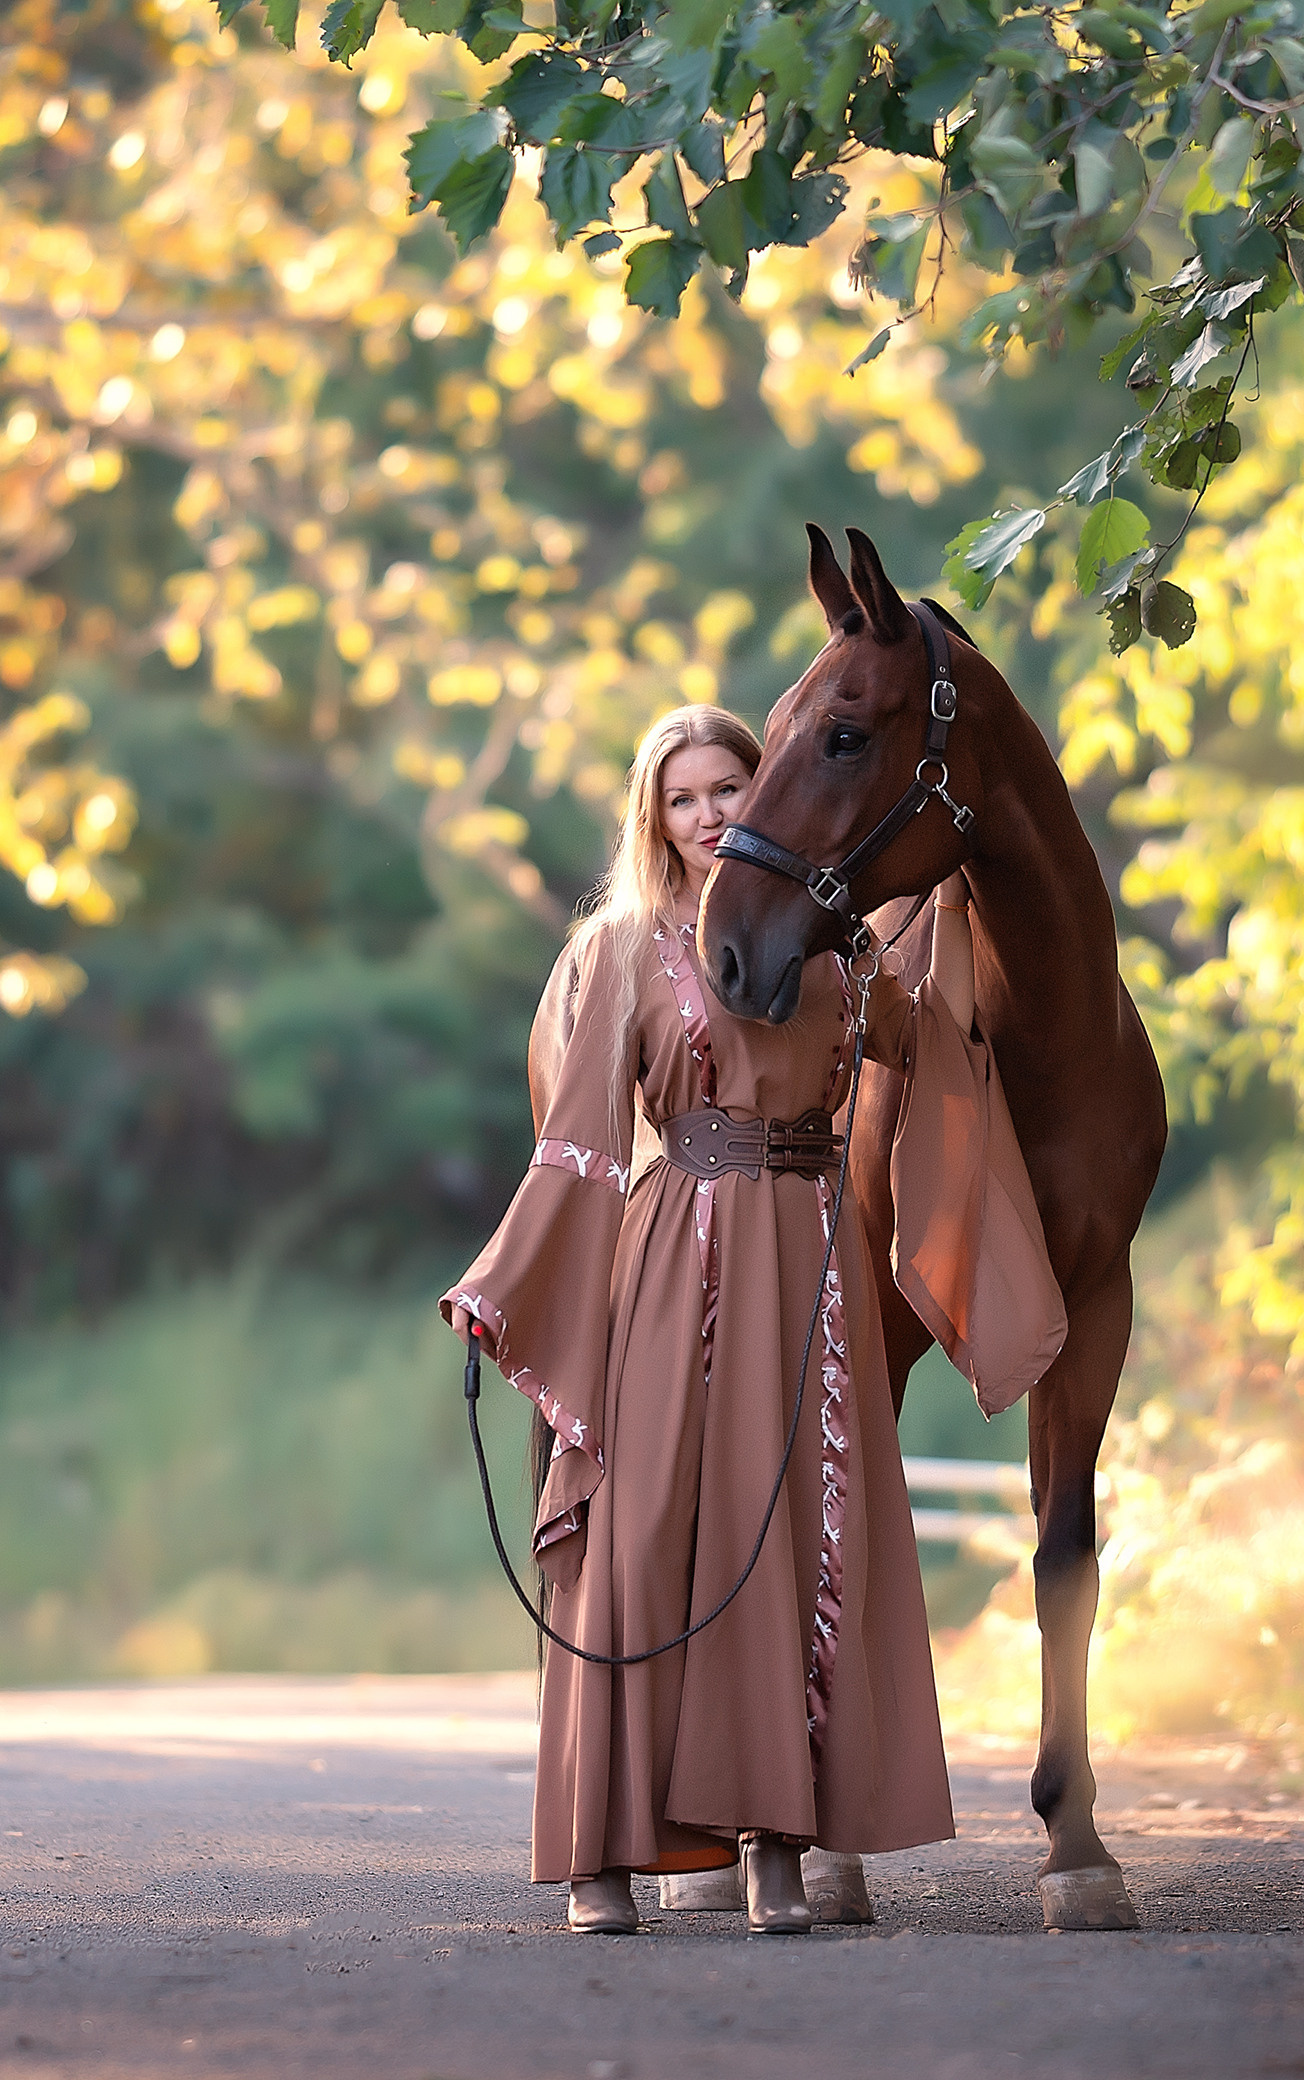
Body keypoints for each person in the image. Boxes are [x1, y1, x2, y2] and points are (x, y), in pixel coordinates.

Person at [444, 703, 1066, 1935]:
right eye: (683, 797)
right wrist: (504, 1278)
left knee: (788, 1534)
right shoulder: (624, 948)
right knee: (632, 1536)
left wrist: (945, 907)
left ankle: (774, 1846)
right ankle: (600, 1858)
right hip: (674, 1242)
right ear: (655, 819)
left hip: (811, 1253)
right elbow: (576, 1140)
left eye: (728, 785)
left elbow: (932, 1050)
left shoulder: (829, 947)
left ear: (761, 789)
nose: (710, 812)